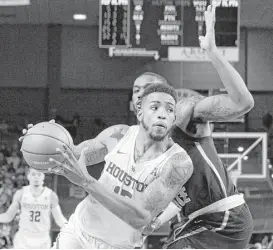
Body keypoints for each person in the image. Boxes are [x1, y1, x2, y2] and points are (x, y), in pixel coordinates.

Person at [47, 83, 193, 249]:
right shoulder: (118, 135)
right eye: (154, 107)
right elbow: (71, 155)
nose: (162, 114)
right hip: (78, 233)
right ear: (140, 113)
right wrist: (47, 141)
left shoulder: (178, 163)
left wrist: (87, 182)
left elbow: (140, 218)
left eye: (169, 109)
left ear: (174, 119)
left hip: (119, 246)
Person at [0, 168, 67, 249]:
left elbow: (59, 219)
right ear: (28, 176)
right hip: (23, 239)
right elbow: (8, 216)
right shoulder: (21, 193)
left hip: (42, 240)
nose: (36, 177)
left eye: (39, 174)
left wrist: (73, 228)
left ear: (43, 176)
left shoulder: (51, 195)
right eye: (33, 174)